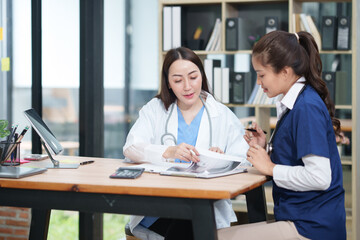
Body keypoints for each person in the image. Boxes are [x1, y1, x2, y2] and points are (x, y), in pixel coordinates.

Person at [218, 31, 346, 240]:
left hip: (311, 227)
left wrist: (269, 167)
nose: (258, 83)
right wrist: (267, 148)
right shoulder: (296, 103)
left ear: (285, 72)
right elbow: (296, 155)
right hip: (303, 219)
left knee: (209, 235)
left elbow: (320, 178)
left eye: (261, 75)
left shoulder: (306, 108)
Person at [123, 47, 250, 240]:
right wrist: (168, 151)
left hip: (202, 207)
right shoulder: (155, 110)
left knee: (191, 220)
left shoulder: (221, 114)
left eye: (193, 77)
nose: (187, 86)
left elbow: (243, 160)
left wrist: (220, 159)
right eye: (178, 80)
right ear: (168, 83)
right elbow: (131, 147)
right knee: (189, 225)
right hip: (159, 209)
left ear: (202, 76)